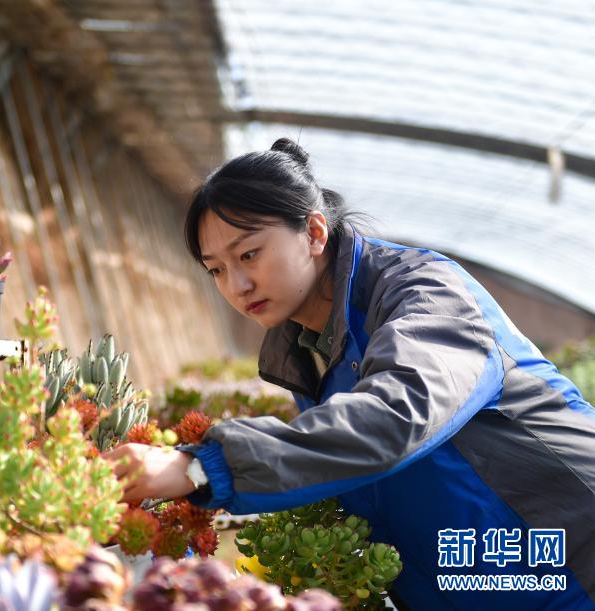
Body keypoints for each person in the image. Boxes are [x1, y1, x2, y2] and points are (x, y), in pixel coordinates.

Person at [104, 138, 595, 610]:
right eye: (216, 269)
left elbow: (397, 414)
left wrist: (199, 467)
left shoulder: (425, 294)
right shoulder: (305, 350)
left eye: (249, 254)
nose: (237, 284)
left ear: (315, 233)